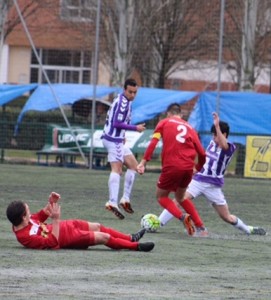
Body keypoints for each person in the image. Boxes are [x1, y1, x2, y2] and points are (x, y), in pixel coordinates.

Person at [158, 112, 267, 236]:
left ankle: (249, 229)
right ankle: (158, 223)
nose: (213, 138)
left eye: (215, 135)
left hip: (213, 186)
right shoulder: (211, 143)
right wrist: (195, 169)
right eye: (213, 135)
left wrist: (217, 126)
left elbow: (224, 144)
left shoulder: (229, 148)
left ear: (223, 134)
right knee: (178, 199)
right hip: (198, 181)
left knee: (227, 217)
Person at [137, 103, 206, 236]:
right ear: (181, 115)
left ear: (168, 113)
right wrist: (197, 167)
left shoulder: (164, 122)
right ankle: (201, 228)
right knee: (180, 197)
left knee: (161, 197)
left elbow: (153, 143)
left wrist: (143, 162)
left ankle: (182, 217)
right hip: (187, 168)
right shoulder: (191, 128)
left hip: (172, 166)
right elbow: (202, 154)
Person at [6, 192, 155, 252]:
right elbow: (52, 242)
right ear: (23, 218)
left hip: (68, 225)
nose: (30, 213)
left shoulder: (23, 220)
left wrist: (51, 203)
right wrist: (56, 219)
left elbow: (41, 215)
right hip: (68, 237)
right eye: (28, 211)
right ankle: (136, 247)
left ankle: (130, 237)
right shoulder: (25, 237)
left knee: (97, 225)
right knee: (105, 237)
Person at [101, 78, 146, 220]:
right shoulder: (123, 103)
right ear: (124, 90)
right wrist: (135, 128)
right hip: (113, 140)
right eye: (130, 92)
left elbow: (119, 122)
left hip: (116, 139)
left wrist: (124, 135)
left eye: (135, 92)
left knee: (133, 166)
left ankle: (125, 199)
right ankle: (112, 202)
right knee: (117, 170)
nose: (132, 95)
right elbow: (116, 123)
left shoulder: (125, 101)